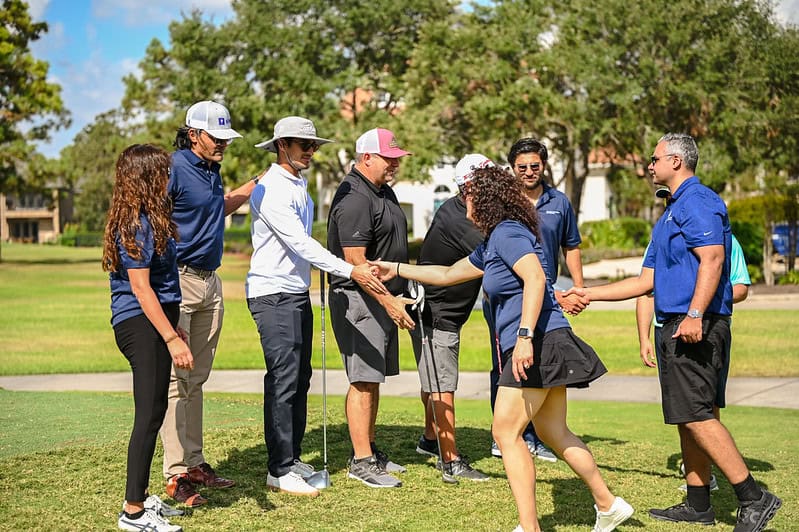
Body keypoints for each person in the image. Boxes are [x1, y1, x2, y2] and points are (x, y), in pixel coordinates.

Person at [370, 165, 633, 532]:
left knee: (504, 433)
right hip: (546, 339)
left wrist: (524, 337)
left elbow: (536, 278)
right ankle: (608, 504)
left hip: (537, 342)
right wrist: (395, 268)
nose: (465, 201)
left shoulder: (509, 233)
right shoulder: (496, 240)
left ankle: (530, 527)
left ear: (487, 199)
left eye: (470, 195)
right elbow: (446, 274)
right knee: (554, 432)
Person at [568, 133, 781, 531]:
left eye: (654, 159)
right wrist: (588, 294)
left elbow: (713, 258)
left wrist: (696, 314)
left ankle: (754, 497)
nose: (649, 165)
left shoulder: (698, 202)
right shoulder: (671, 210)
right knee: (686, 416)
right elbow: (645, 280)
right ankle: (698, 502)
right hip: (675, 326)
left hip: (695, 326)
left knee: (698, 415)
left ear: (677, 161)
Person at [247, 117, 388, 497]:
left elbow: (307, 243)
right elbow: (300, 244)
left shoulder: (298, 183)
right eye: (303, 145)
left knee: (300, 378)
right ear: (282, 146)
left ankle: (290, 457)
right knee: (283, 380)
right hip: (271, 294)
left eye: (314, 146)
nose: (311, 152)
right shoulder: (272, 187)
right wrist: (352, 270)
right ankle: (278, 469)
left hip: (294, 292)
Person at [161, 101, 256, 506]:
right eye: (216, 138)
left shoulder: (211, 171)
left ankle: (195, 462)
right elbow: (154, 219)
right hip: (179, 280)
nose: (223, 145)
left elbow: (215, 211)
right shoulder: (173, 167)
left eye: (226, 139)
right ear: (193, 134)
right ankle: (175, 473)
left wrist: (253, 187)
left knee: (196, 379)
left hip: (210, 283)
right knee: (174, 382)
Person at [103, 144, 192, 532]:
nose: (169, 178)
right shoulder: (135, 223)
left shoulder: (151, 217)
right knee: (149, 416)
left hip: (155, 320)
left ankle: (141, 498)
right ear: (146, 177)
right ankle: (133, 511)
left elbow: (163, 284)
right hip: (140, 323)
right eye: (163, 172)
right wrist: (172, 338)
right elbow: (141, 290)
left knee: (155, 411)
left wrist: (175, 327)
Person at [488, 138, 588, 462]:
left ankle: (537, 435)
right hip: (510, 300)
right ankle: (512, 436)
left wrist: (578, 287)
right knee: (506, 365)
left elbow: (571, 246)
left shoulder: (559, 202)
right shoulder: (505, 206)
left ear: (543, 166)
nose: (529, 172)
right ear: (512, 168)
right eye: (522, 167)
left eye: (535, 165)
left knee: (542, 363)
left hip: (547, 295)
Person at [327, 127, 415, 488]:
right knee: (362, 379)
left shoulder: (382, 190)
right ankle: (360, 460)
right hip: (359, 299)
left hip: (380, 298)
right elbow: (357, 263)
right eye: (388, 158)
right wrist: (389, 301)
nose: (395, 164)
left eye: (397, 158)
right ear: (366, 157)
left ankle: (370, 449)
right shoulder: (355, 198)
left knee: (373, 377)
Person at [636, 229, 751, 493]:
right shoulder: (659, 238)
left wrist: (697, 297)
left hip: (706, 328)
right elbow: (645, 290)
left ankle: (722, 479)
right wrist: (643, 337)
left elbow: (741, 287)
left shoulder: (725, 240)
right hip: (665, 330)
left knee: (706, 405)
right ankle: (697, 479)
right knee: (682, 409)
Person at [410, 154, 492, 481]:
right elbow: (496, 253)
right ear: (468, 186)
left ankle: (431, 440)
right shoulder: (459, 218)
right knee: (443, 385)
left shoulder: (467, 210)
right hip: (437, 312)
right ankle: (450, 460)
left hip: (440, 310)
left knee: (434, 381)